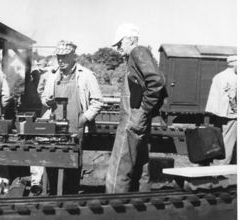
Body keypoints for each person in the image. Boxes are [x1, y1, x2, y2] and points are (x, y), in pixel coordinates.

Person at [31, 40, 103, 194]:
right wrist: (46, 101)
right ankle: (51, 195)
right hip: (54, 128)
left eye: (64, 56)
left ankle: (70, 198)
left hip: (75, 128)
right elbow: (43, 95)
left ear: (73, 56)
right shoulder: (52, 76)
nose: (60, 60)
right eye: (58, 56)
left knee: (72, 165)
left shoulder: (86, 75)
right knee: (51, 162)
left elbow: (97, 101)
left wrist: (84, 118)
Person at [105, 23, 165, 193]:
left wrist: (144, 109)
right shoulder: (136, 56)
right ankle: (140, 204)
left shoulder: (137, 52)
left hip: (133, 117)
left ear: (130, 40)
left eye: (119, 44)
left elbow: (156, 81)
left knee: (119, 167)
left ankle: (113, 209)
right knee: (140, 165)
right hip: (138, 117)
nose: (117, 48)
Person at [205, 55, 237, 165]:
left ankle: (214, 166)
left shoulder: (219, 76)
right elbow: (232, 98)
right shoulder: (233, 78)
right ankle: (222, 170)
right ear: (235, 64)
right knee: (228, 142)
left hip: (217, 113)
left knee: (219, 140)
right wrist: (237, 111)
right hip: (230, 114)